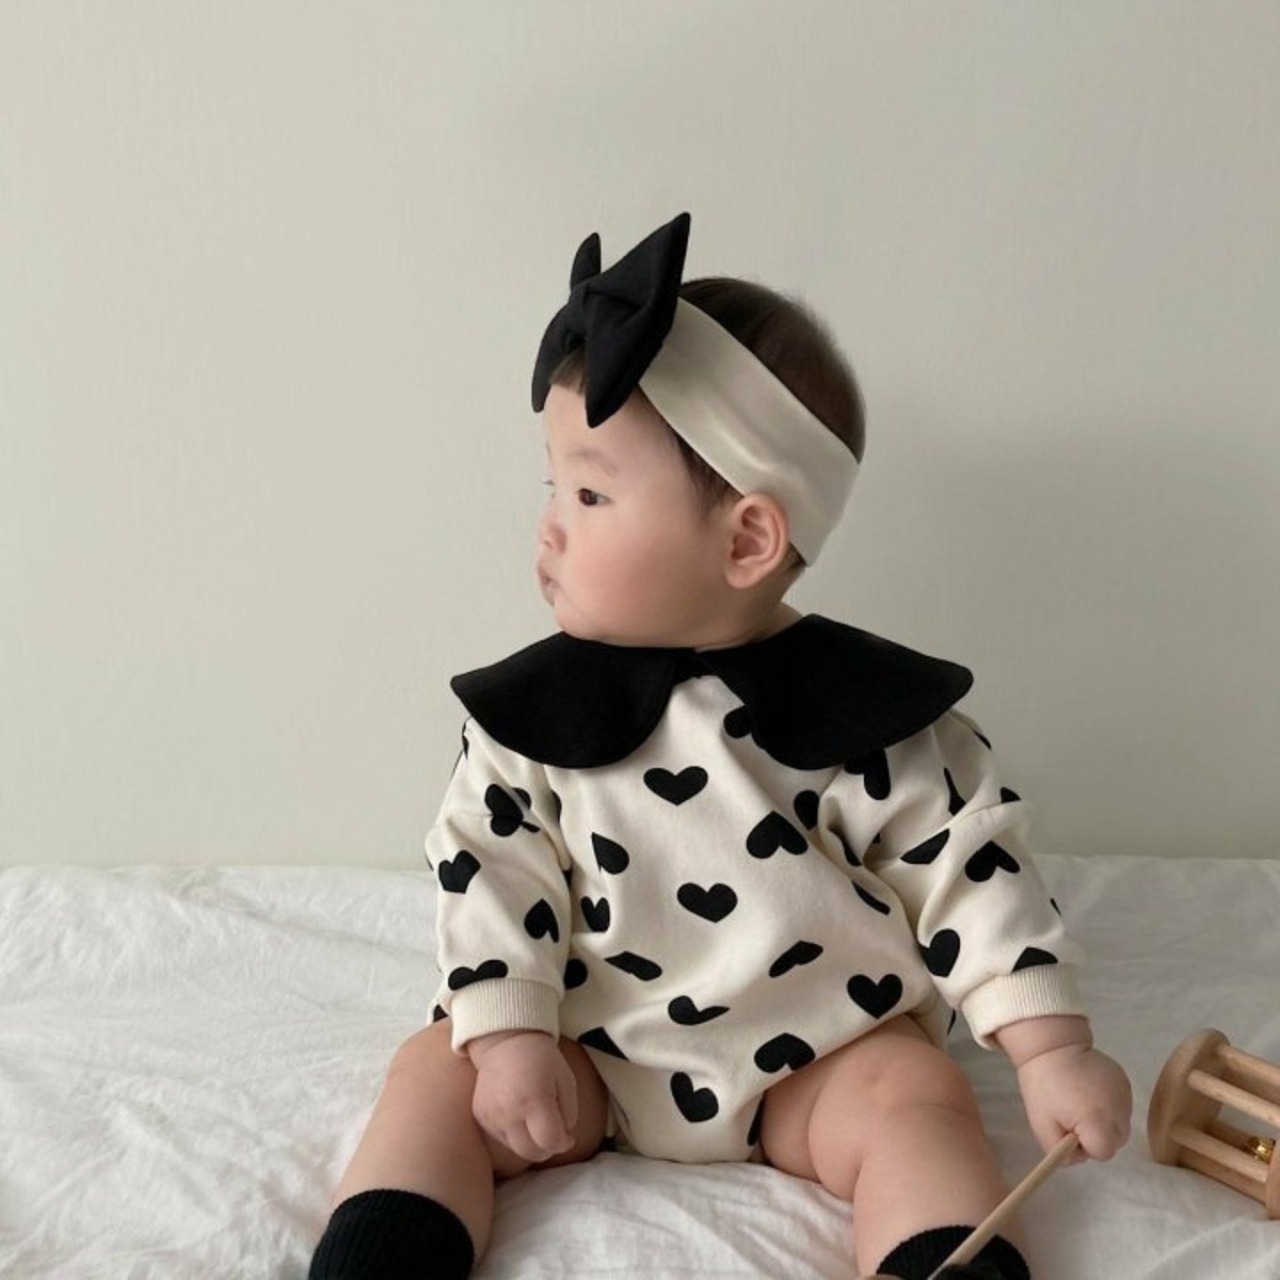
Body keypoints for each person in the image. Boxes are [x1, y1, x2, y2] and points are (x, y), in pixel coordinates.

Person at [309, 212, 1131, 1280]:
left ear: (747, 537)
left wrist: (1050, 1048)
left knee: (914, 1100)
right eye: (553, 486)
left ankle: (939, 1259)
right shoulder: (533, 717)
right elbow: (490, 873)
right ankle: (382, 1259)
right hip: (587, 1052)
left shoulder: (872, 714)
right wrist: (509, 1036)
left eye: (591, 492)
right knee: (435, 1072)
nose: (550, 526)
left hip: (816, 1063)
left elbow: (972, 874)